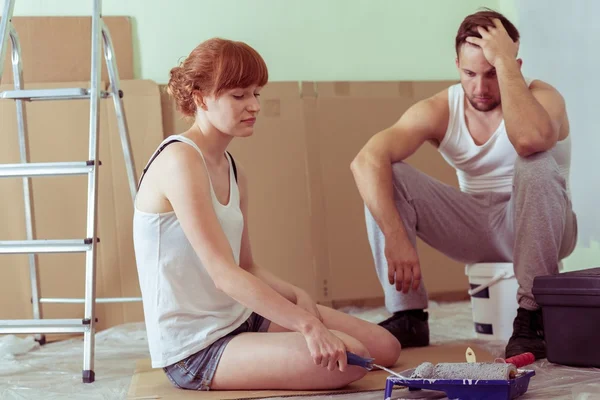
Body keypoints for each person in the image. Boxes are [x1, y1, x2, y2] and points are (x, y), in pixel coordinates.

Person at [132, 37, 400, 392]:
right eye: (239, 95)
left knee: (386, 347)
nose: (254, 105)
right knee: (351, 359)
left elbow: (246, 265)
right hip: (196, 348)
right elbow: (223, 274)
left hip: (240, 316)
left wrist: (298, 296)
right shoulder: (180, 161)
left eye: (257, 92)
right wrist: (308, 326)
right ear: (200, 98)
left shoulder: (234, 168)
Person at [350, 9, 577, 360]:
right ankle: (408, 315)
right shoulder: (443, 107)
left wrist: (504, 64)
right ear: (456, 64)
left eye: (492, 74)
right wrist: (395, 234)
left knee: (535, 162)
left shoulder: (543, 97)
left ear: (514, 66)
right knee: (385, 171)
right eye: (470, 73)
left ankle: (533, 316)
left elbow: (529, 140)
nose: (481, 88)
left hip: (541, 225)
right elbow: (364, 160)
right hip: (473, 226)